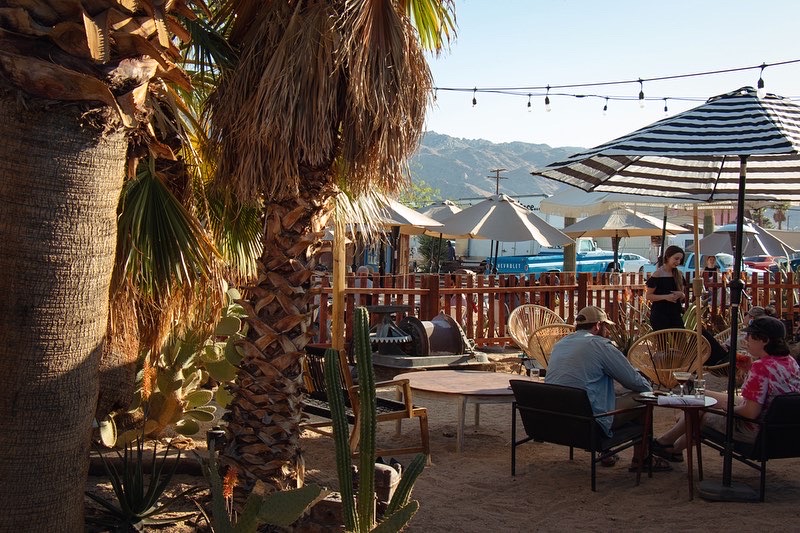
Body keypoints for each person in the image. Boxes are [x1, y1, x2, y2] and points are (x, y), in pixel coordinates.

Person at [653, 316, 800, 461]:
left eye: (750, 335)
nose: (746, 339)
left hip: (756, 429)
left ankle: (667, 444)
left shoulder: (760, 367)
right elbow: (772, 391)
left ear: (765, 340)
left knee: (700, 411)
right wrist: (749, 370)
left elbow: (750, 413)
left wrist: (727, 409)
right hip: (781, 426)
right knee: (702, 396)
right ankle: (672, 447)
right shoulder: (790, 361)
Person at [545, 306, 671, 472]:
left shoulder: (560, 344)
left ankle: (607, 453)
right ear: (598, 326)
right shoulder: (600, 345)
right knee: (643, 397)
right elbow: (634, 382)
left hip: (557, 419)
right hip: (589, 423)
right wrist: (648, 388)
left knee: (602, 393)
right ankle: (642, 458)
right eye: (606, 327)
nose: (608, 331)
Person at [645, 245, 686, 330]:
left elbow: (682, 295)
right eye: (676, 259)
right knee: (662, 338)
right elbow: (648, 296)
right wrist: (666, 297)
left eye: (680, 260)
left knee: (681, 337)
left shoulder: (679, 275)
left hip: (675, 313)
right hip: (660, 314)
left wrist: (681, 294)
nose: (678, 262)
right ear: (668, 257)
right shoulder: (658, 274)